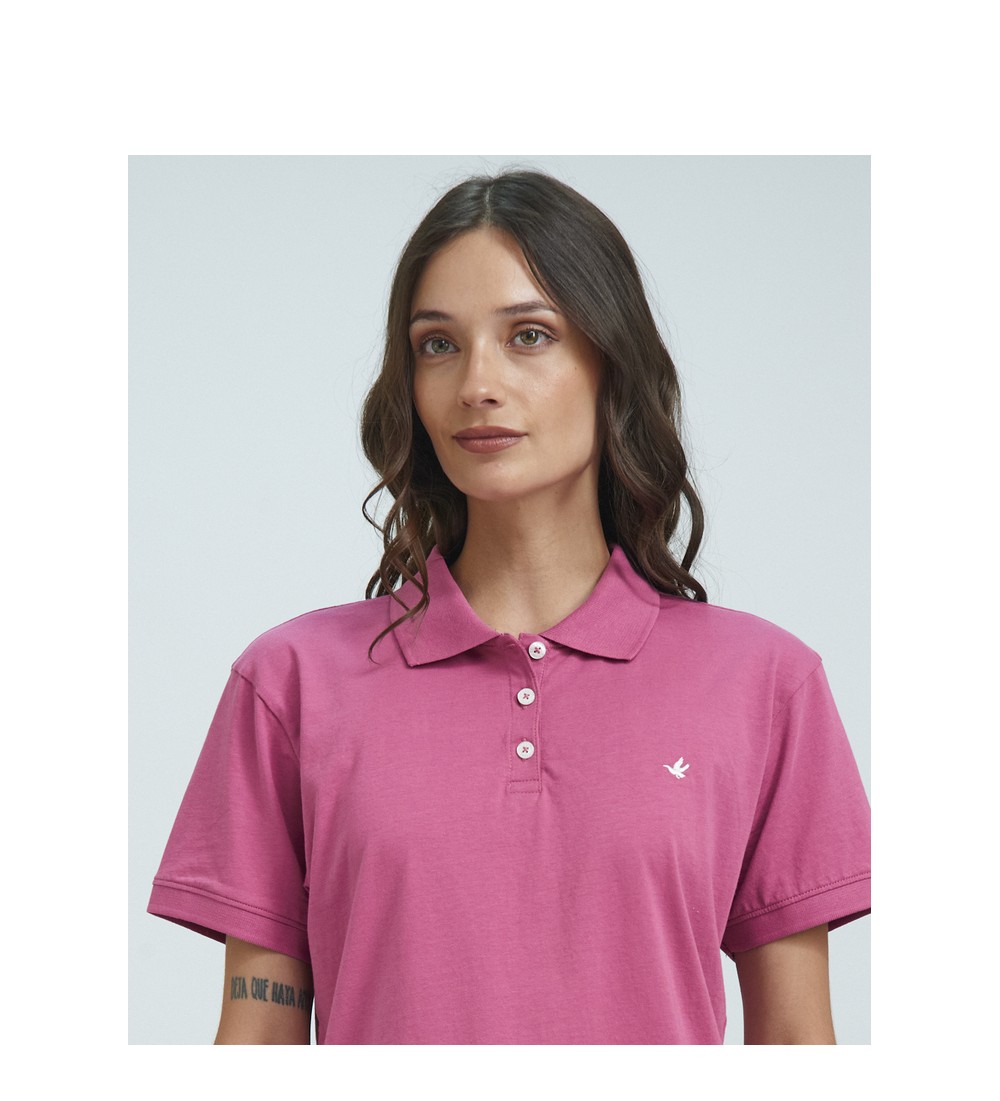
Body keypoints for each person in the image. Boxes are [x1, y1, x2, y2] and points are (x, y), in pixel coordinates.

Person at [147, 169, 871, 1045]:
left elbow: (797, 1049)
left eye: (529, 335)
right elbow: (254, 1047)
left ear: (612, 364)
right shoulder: (291, 683)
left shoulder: (766, 683)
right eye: (437, 345)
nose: (476, 384)